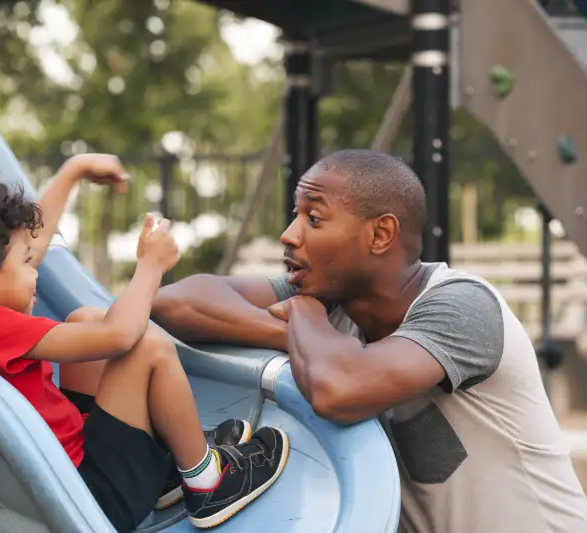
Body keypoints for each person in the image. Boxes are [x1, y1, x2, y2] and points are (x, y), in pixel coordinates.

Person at [151, 148, 587, 533]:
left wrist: (305, 316)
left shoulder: (461, 306)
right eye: (296, 215)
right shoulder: (330, 301)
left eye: (314, 218)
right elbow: (178, 302)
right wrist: (295, 332)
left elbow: (339, 389)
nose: (290, 234)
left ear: (380, 235)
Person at [0, 154, 289, 533]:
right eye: (27, 263)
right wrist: (150, 267)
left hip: (61, 480)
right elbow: (121, 336)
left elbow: (30, 245)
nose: (35, 268)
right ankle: (206, 480)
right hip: (91, 498)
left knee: (83, 320)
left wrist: (73, 172)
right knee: (146, 346)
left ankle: (168, 470)